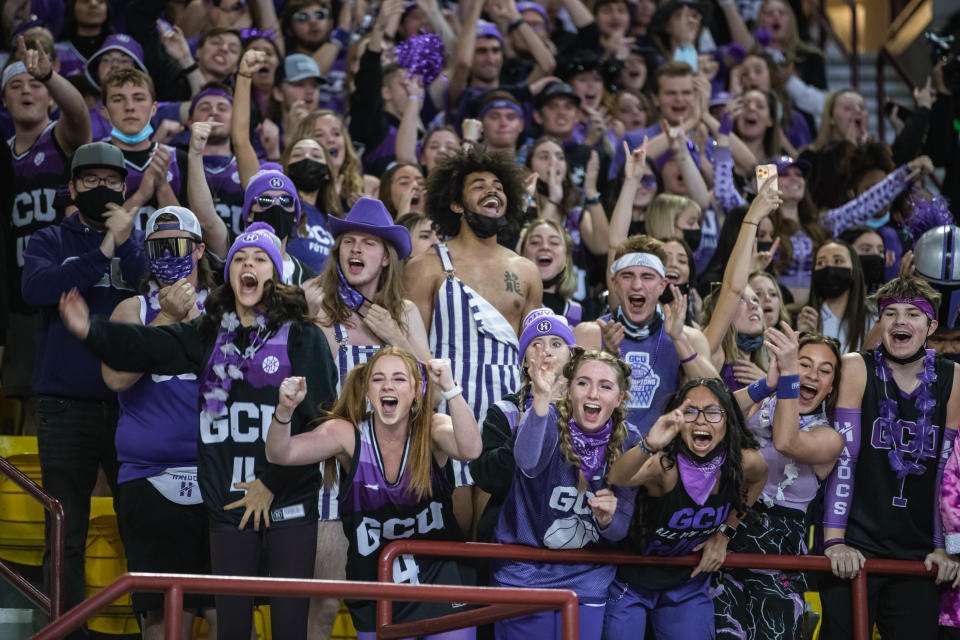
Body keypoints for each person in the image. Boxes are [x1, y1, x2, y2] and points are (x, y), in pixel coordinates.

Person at [58, 224, 338, 640]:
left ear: (276, 275)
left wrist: (269, 483)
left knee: (289, 628)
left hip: (289, 496)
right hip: (226, 497)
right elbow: (148, 347)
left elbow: (322, 425)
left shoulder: (304, 337)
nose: (248, 264)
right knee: (233, 627)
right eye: (240, 258)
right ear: (229, 275)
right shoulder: (209, 333)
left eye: (260, 259)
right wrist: (91, 331)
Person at [263, 349, 481, 640]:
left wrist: (452, 390)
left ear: (417, 390)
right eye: (378, 379)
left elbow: (471, 449)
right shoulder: (347, 434)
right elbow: (280, 453)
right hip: (375, 590)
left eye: (399, 379)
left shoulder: (432, 427)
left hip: (441, 582)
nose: (388, 386)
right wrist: (285, 410)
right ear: (367, 390)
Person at [21, 141, 146, 630]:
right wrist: (104, 248)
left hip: (132, 405)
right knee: (65, 533)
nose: (100, 188)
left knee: (141, 529)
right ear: (71, 187)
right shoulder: (48, 238)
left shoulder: (137, 245)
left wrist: (126, 242)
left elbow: (158, 294)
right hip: (64, 407)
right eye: (88, 180)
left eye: (110, 180)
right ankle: (65, 629)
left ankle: (150, 627)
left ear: (123, 187)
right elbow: (37, 289)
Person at [820, 276, 960, 640]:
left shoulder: (955, 377)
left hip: (919, 552)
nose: (900, 322)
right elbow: (845, 458)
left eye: (913, 314)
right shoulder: (856, 367)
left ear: (930, 326)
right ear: (878, 323)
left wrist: (947, 550)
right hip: (856, 546)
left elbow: (951, 475)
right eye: (891, 313)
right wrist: (835, 540)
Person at [104, 206, 217, 639]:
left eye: (177, 245)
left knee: (228, 610)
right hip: (148, 480)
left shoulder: (225, 309)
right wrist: (166, 318)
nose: (168, 254)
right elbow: (115, 376)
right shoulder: (131, 308)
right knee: (164, 618)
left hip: (216, 478)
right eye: (158, 246)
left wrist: (191, 318)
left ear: (199, 249)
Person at [492, 347, 641, 640]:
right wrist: (541, 397)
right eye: (583, 383)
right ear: (570, 390)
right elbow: (526, 461)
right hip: (523, 573)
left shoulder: (630, 440)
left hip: (587, 577)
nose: (593, 394)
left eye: (606, 386)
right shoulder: (544, 417)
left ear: (619, 398)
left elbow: (620, 530)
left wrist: (607, 520)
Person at [604, 377, 768, 640]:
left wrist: (724, 534)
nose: (701, 421)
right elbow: (617, 477)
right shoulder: (664, 466)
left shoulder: (744, 463)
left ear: (728, 421)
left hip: (686, 582)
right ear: (678, 422)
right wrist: (649, 444)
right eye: (690, 412)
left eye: (713, 412)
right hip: (632, 581)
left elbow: (759, 479)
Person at [714, 330, 843, 640]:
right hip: (725, 537)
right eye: (803, 364)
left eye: (824, 371)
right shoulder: (759, 407)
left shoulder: (830, 437)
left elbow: (786, 441)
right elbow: (714, 412)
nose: (812, 375)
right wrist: (765, 385)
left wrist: (788, 378)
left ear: (831, 388)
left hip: (779, 552)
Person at [3, 35, 91, 431]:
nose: (27, 90)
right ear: (4, 100)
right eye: (16, 85)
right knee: (21, 394)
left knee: (58, 398)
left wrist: (50, 75)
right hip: (17, 295)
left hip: (62, 288)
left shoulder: (61, 139)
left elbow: (79, 116)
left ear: (50, 96)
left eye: (35, 85)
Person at [470, 307, 576, 542]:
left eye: (556, 344)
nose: (546, 352)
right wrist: (538, 408)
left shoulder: (588, 407)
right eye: (536, 344)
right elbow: (490, 478)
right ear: (525, 359)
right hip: (515, 529)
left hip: (571, 525)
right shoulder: (505, 411)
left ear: (571, 355)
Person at [797, 240, 877, 354]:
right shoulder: (806, 318)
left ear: (853, 270)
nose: (829, 267)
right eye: (821, 263)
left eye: (838, 261)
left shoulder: (874, 317)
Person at [519, 220, 583, 327]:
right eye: (535, 242)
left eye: (554, 242)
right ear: (523, 254)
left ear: (566, 257)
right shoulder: (513, 304)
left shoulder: (580, 312)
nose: (545, 247)